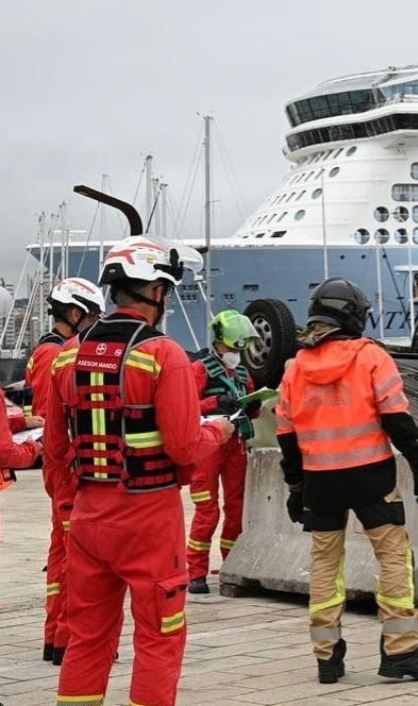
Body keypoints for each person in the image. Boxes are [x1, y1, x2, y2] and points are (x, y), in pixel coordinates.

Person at [43, 234, 235, 706]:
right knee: (158, 635)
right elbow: (185, 447)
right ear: (157, 291)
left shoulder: (66, 356)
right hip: (149, 519)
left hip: (88, 516)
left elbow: (55, 449)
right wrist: (222, 429)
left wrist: (72, 505)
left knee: (87, 638)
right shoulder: (162, 354)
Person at [276, 276, 418, 684]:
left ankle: (327, 657)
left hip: (320, 483)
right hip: (371, 479)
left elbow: (286, 437)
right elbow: (396, 419)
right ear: (352, 316)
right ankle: (401, 652)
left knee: (324, 564)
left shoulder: (295, 368)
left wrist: (296, 489)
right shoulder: (371, 357)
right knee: (393, 559)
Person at [24, 277, 105, 663]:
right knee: (75, 553)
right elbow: (50, 418)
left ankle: (58, 635)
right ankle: (67, 636)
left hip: (62, 465)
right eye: (93, 317)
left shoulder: (51, 351)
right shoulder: (55, 354)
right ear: (75, 313)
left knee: (64, 549)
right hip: (66, 467)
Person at [186, 309, 262, 594]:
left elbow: (251, 408)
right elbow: (187, 407)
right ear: (218, 342)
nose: (235, 354)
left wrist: (254, 406)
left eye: (239, 349)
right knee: (207, 510)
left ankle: (231, 567)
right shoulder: (199, 369)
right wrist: (215, 402)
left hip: (235, 444)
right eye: (231, 348)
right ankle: (196, 572)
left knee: (236, 508)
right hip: (208, 446)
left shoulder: (242, 372)